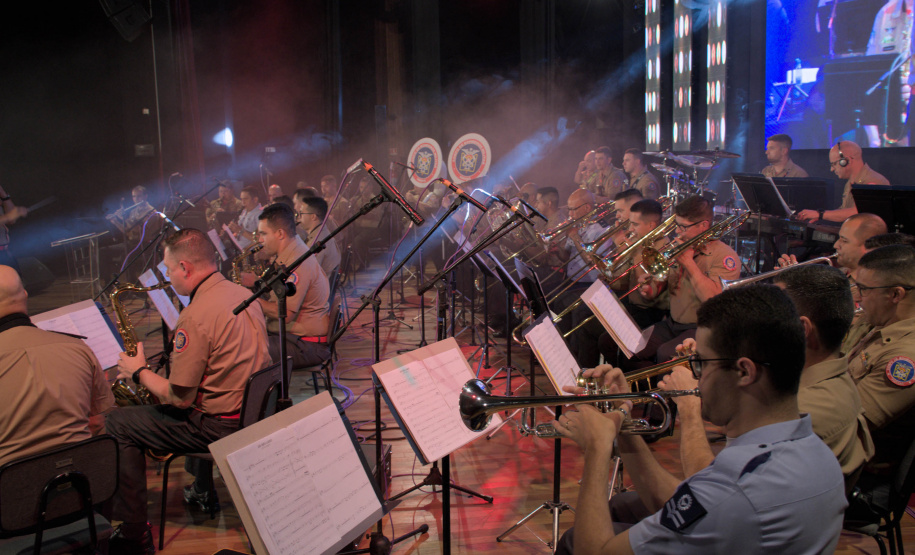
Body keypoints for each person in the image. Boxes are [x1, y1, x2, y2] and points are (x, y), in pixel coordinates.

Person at [553, 285, 847, 554]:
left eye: (701, 363)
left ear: (744, 372)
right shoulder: (816, 453)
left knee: (572, 541)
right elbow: (686, 501)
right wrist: (623, 418)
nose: (696, 376)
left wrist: (598, 448)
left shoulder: (735, 490)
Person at [106, 229, 271, 554]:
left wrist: (138, 372)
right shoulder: (242, 293)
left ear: (185, 267)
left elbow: (180, 399)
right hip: (253, 413)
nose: (168, 278)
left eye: (168, 270)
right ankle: (201, 487)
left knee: (117, 423)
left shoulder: (195, 316)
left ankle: (133, 533)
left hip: (220, 427)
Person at [604, 195, 740, 368]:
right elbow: (657, 288)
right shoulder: (679, 247)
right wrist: (650, 289)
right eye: (677, 225)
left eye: (683, 227)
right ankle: (642, 384)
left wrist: (689, 263)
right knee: (624, 347)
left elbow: (713, 299)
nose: (677, 231)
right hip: (672, 323)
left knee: (665, 354)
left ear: (704, 225)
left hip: (702, 328)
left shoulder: (723, 256)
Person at [0, 265, 114, 466]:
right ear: (25, 294)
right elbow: (96, 423)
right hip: (80, 474)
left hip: (11, 482)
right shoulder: (77, 347)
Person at [846, 245, 915, 474]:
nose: (858, 297)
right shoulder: (884, 326)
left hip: (857, 473)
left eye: (864, 289)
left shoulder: (906, 356)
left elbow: (848, 423)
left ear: (896, 294)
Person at [243, 203, 330, 369]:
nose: (260, 240)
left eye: (263, 234)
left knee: (242, 350)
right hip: (294, 338)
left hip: (305, 345)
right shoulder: (291, 253)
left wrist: (250, 299)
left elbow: (286, 313)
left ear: (280, 234)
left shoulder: (297, 262)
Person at [797, 141, 890, 223]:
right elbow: (844, 210)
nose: (832, 169)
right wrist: (821, 217)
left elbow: (859, 212)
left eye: (834, 164)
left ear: (846, 161)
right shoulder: (850, 182)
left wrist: (821, 214)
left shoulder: (873, 181)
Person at [293, 192, 341, 279]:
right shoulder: (322, 233)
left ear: (313, 217)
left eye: (301, 213)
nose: (298, 217)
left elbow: (307, 273)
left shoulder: (317, 241)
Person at [0, 184, 27, 270]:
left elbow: (11, 220)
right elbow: (9, 218)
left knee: (14, 277)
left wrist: (4, 195)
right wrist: (8, 217)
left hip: (4, 252)